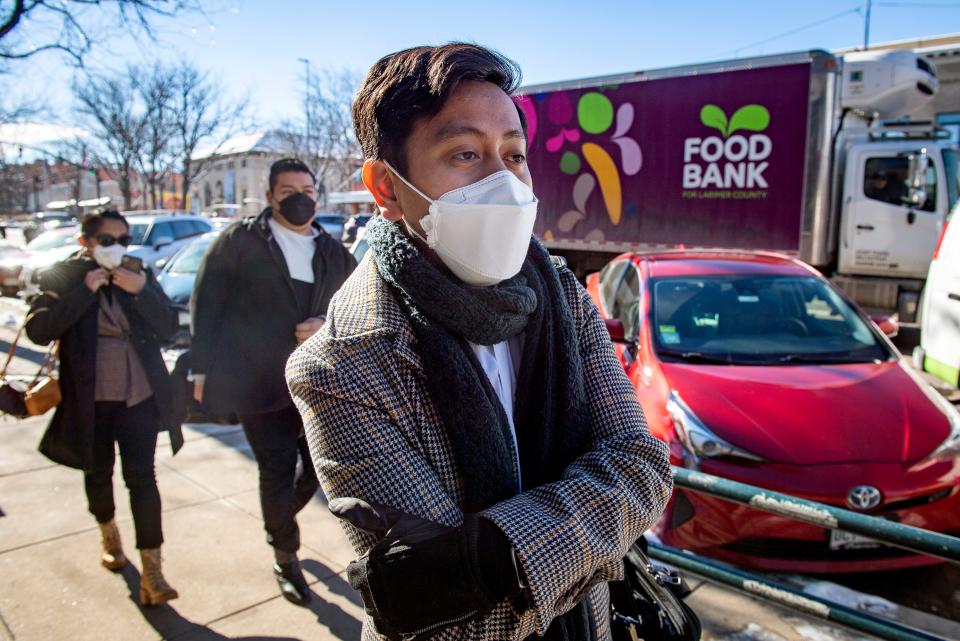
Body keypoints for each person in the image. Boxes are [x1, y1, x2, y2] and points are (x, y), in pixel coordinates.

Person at [286, 44, 673, 641]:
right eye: (465, 153)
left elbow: (645, 466)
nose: (503, 180)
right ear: (386, 188)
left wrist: (500, 560)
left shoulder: (562, 298)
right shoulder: (343, 365)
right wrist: (600, 524)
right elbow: (446, 626)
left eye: (514, 154)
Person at [191, 158, 357, 606]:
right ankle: (286, 557)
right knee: (276, 471)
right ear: (269, 197)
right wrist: (200, 369)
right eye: (287, 191)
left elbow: (355, 308)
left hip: (317, 384)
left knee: (315, 475)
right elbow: (206, 304)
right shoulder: (241, 242)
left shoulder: (332, 250)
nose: (300, 197)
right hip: (257, 384)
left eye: (307, 188)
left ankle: (277, 520)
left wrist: (326, 323)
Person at [26, 209, 181, 606]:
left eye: (123, 240)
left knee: (143, 479)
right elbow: (39, 331)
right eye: (107, 240)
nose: (117, 248)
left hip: (139, 397)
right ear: (86, 242)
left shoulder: (135, 270)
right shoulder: (62, 275)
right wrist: (85, 291)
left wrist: (141, 290)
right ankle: (109, 535)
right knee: (98, 473)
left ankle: (153, 570)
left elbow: (168, 327)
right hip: (89, 399)